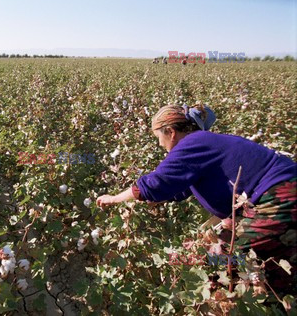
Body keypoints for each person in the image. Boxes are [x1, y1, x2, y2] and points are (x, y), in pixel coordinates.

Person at [96, 104, 297, 295]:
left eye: (158, 137)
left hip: (280, 197)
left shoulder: (193, 143)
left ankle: (227, 301)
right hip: (282, 194)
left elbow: (156, 182)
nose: (159, 144)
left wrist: (114, 198)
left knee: (217, 259)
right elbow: (179, 187)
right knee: (274, 265)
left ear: (170, 132)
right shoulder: (202, 142)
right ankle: (276, 297)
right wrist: (157, 198)